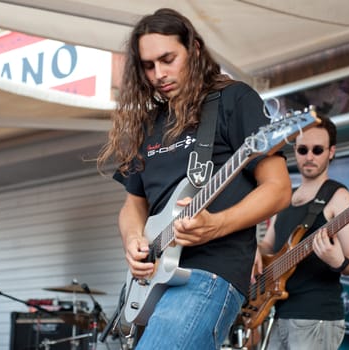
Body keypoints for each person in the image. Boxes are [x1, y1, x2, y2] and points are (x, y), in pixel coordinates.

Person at [96, 8, 292, 350]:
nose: (158, 73)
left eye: (168, 59)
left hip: (211, 271)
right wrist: (132, 240)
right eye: (148, 65)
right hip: (154, 277)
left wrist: (217, 224)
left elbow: (278, 190)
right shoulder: (148, 123)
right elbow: (133, 204)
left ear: (195, 50)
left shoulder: (233, 99)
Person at [255, 116, 349, 350]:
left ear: (331, 152)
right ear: (295, 151)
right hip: (280, 312)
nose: (310, 157)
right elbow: (268, 245)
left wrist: (339, 261)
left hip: (317, 317)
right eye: (303, 150)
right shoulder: (285, 198)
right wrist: (254, 250)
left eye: (318, 149)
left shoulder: (339, 197)